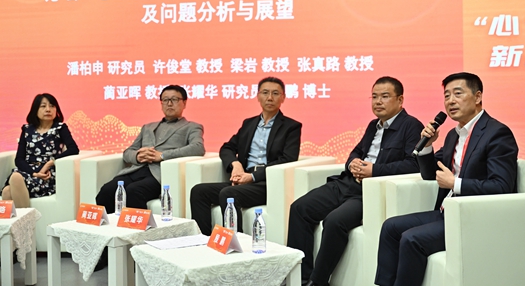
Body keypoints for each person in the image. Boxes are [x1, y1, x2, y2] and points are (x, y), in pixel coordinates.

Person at [375, 72, 519, 286]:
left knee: (412, 239)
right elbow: (429, 174)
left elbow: (502, 186)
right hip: (448, 212)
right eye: (447, 95)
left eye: (458, 94)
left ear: (478, 97)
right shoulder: (454, 134)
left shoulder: (497, 133)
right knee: (390, 227)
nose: (450, 101)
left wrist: (455, 184)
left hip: (474, 217)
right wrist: (427, 146)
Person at [287, 76, 423, 286]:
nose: (378, 102)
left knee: (334, 221)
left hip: (370, 192)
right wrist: (353, 163)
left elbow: (414, 165)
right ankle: (300, 278)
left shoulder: (411, 126)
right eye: (374, 97)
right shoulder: (373, 125)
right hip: (347, 183)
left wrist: (374, 171)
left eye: (385, 96)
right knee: (300, 208)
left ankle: (317, 281)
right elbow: (356, 152)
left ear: (400, 100)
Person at [189, 76, 301, 235]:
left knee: (229, 193)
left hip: (267, 183)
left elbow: (288, 159)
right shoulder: (249, 124)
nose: (270, 98)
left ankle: (235, 242)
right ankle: (203, 239)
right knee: (199, 191)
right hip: (243, 179)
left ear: (283, 97)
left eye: (275, 93)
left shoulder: (291, 127)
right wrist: (235, 164)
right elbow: (227, 148)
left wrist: (253, 176)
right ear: (258, 96)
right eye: (265, 93)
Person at [95, 85, 205, 213]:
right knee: (107, 191)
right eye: (165, 100)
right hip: (136, 170)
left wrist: (162, 155)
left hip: (159, 174)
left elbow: (198, 148)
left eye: (174, 99)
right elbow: (128, 152)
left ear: (184, 103)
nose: (169, 104)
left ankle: (139, 226)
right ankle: (111, 225)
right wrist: (137, 156)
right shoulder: (147, 127)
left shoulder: (192, 127)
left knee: (133, 191)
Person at [2, 93, 79, 208]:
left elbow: (73, 149)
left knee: (11, 185)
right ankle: (26, 219)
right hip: (28, 172)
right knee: (7, 190)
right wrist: (33, 173)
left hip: (47, 175)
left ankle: (26, 219)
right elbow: (19, 159)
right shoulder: (27, 129)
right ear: (35, 110)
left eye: (52, 106)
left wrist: (49, 163)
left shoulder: (60, 128)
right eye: (43, 106)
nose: (48, 109)